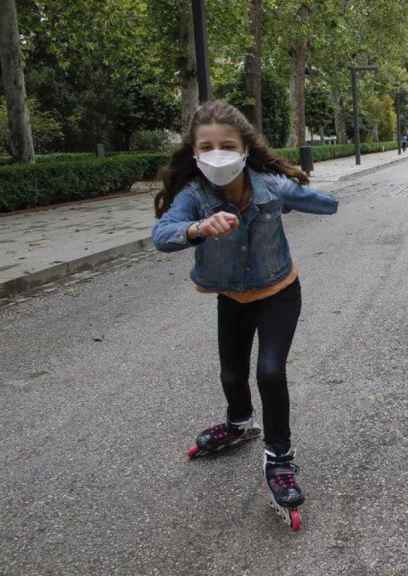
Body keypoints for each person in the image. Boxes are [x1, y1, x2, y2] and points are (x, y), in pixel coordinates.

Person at [151, 100, 339, 508]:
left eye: (227, 145)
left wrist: (297, 194)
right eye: (207, 147)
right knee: (231, 373)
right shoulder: (194, 193)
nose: (217, 154)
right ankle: (239, 423)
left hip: (279, 291)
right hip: (232, 296)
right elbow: (163, 234)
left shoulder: (269, 186)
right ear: (195, 153)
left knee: (269, 372)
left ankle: (280, 458)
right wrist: (199, 227)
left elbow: (327, 203)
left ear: (245, 149)